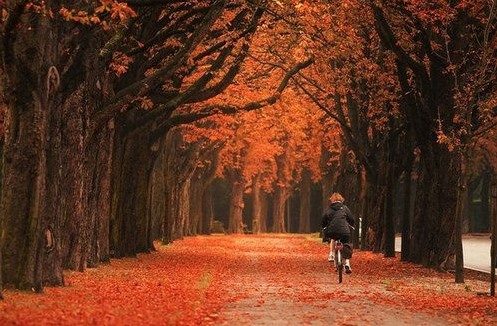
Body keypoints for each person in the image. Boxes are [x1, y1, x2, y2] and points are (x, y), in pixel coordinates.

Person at [321, 192, 355, 274]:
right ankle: (347, 263)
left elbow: (323, 219)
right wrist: (352, 225)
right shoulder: (345, 208)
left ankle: (331, 254)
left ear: (332, 200)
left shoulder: (329, 208)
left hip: (332, 231)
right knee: (346, 244)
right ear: (341, 200)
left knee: (333, 238)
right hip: (344, 231)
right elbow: (351, 218)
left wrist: (324, 227)